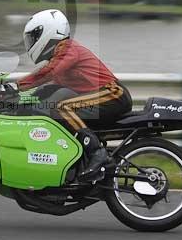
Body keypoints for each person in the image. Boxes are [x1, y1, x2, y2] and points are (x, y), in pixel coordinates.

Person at [16, 9, 132, 180]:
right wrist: (17, 98)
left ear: (49, 30)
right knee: (54, 109)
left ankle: (97, 154)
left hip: (112, 94)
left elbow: (49, 72)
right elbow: (48, 88)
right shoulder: (59, 57)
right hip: (102, 96)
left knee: (63, 107)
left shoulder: (68, 48)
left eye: (33, 37)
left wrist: (18, 85)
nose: (31, 42)